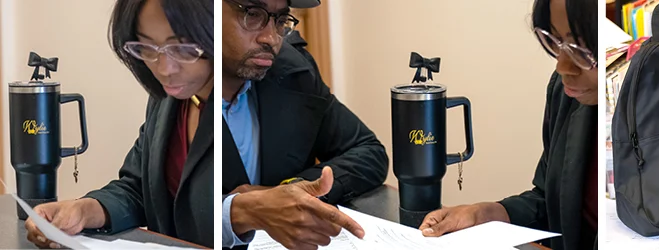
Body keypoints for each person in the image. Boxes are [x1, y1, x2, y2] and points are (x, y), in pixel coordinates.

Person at [23, 0, 214, 248]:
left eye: (182, 48)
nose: (164, 68)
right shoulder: (168, 100)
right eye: (147, 46)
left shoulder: (246, 106)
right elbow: (138, 190)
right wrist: (83, 210)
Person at [418, 0, 598, 249]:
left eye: (581, 49)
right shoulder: (566, 94)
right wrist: (484, 214)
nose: (561, 66)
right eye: (555, 41)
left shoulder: (651, 115)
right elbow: (549, 202)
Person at [220, 0, 389, 249]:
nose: (271, 38)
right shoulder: (178, 85)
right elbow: (152, 202)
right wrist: (236, 211)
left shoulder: (293, 69)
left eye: (280, 20)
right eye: (253, 14)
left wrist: (293, 190)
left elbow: (369, 151)